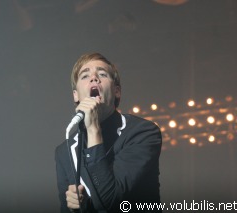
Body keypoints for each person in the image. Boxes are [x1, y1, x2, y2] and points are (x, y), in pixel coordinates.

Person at [55, 52, 162, 212]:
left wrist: (93, 128)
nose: (93, 78)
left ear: (116, 91)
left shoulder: (143, 132)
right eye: (85, 76)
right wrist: (77, 207)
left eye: (102, 74)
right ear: (75, 95)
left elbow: (112, 201)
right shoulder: (65, 151)